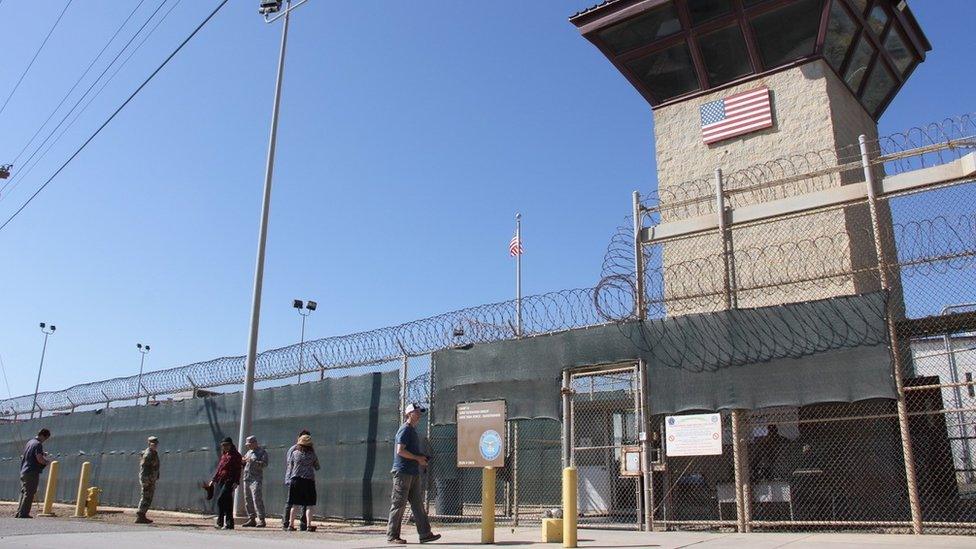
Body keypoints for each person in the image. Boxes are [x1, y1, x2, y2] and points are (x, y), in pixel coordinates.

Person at [387, 403, 440, 545]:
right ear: (409, 414)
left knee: (418, 505)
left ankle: (425, 534)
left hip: (412, 472)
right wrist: (417, 458)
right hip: (402, 473)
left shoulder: (413, 431)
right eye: (416, 412)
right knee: (399, 505)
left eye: (420, 412)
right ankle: (392, 536)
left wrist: (420, 457)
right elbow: (400, 451)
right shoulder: (405, 429)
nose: (419, 415)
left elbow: (409, 451)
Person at [284, 434, 320, 532]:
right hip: (308, 481)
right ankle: (308, 525)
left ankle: (291, 525)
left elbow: (290, 466)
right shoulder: (312, 455)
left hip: (296, 480)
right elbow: (317, 467)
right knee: (309, 505)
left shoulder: (295, 453)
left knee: (294, 504)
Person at [14, 428, 51, 519]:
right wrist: (47, 462)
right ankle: (24, 513)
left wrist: (43, 453)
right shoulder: (38, 444)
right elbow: (39, 458)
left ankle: (19, 512)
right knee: (30, 492)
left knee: (24, 492)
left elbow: (31, 454)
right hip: (32, 471)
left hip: (24, 470)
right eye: (45, 438)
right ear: (43, 435)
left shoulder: (30, 442)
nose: (45, 440)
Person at [209, 437, 243, 529]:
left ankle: (221, 521)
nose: (225, 447)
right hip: (221, 480)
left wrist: (236, 481)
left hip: (230, 480)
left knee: (221, 499)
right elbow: (219, 469)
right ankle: (228, 524)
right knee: (227, 502)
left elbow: (238, 469)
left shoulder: (236, 455)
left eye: (227, 445)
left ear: (231, 445)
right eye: (223, 445)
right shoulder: (224, 455)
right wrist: (214, 480)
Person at [283, 429, 311, 530]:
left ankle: (303, 524)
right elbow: (289, 465)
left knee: (304, 503)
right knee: (291, 502)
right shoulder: (294, 450)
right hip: (294, 478)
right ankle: (286, 523)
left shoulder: (310, 451)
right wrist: (289, 478)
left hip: (305, 479)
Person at [242, 435, 269, 528]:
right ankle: (251, 518)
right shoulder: (249, 452)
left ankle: (261, 519)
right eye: (247, 444)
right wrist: (243, 461)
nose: (248, 446)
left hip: (256, 479)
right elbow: (245, 463)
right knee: (247, 499)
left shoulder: (262, 452)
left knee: (256, 498)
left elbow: (264, 464)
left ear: (255, 443)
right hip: (247, 478)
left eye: (250, 444)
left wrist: (253, 461)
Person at [135, 436, 160, 524]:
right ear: (149, 444)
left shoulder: (153, 453)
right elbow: (145, 468)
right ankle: (140, 515)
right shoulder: (148, 454)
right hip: (147, 479)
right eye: (153, 444)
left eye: (156, 444)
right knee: (146, 496)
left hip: (150, 478)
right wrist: (147, 480)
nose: (155, 445)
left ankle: (142, 514)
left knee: (148, 497)